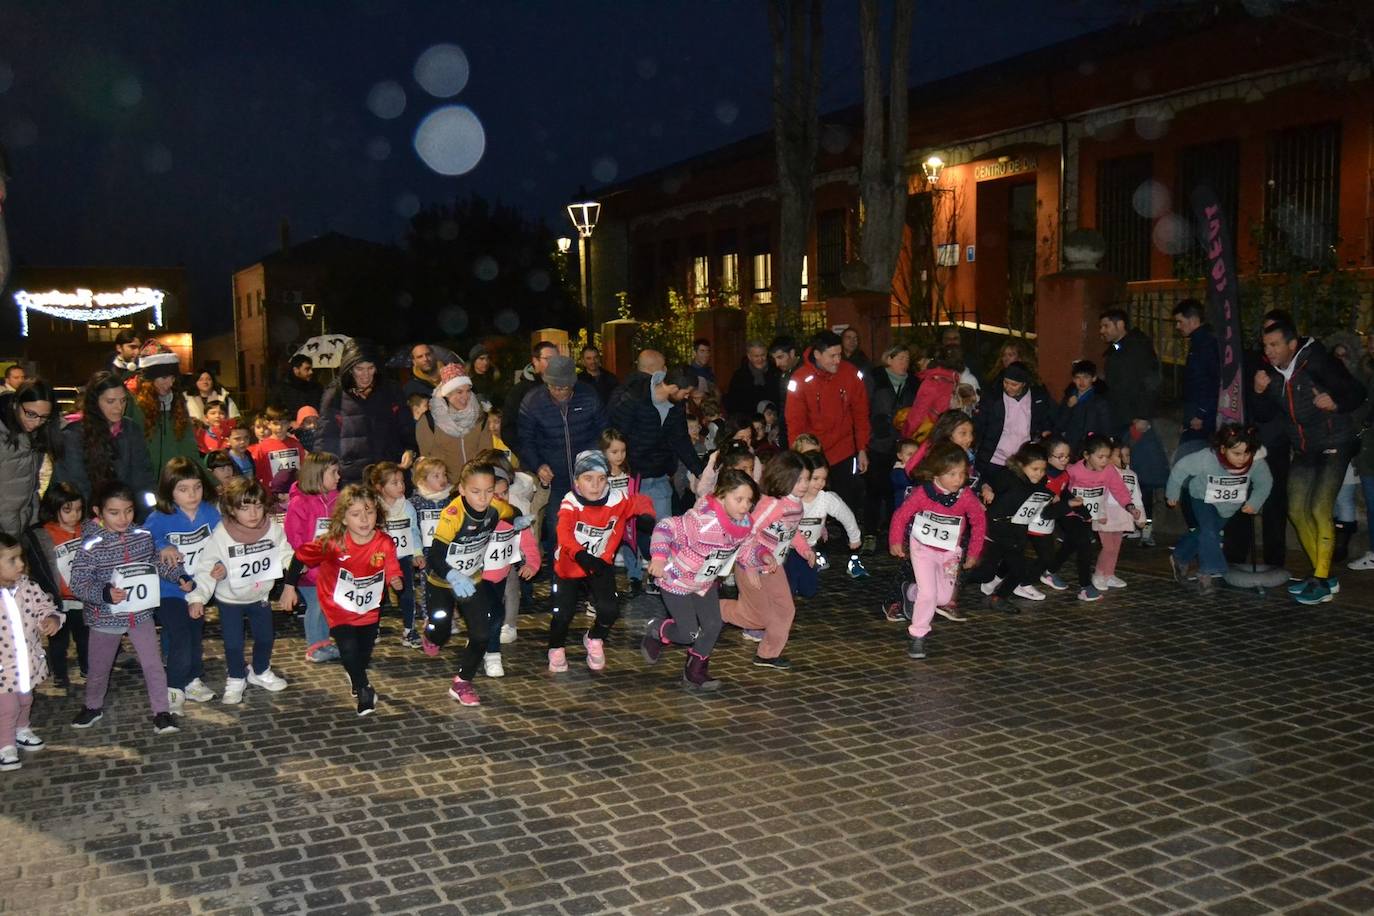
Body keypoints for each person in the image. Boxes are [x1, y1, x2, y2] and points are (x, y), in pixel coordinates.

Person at [1254, 319, 1366, 605]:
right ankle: (1324, 576)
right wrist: (1259, 392)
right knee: (1296, 509)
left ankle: (1321, 578)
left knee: (1319, 508)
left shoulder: (1318, 362)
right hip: (1305, 448)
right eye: (1266, 345)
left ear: (1292, 344)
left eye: (1275, 344)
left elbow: (1357, 392)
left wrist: (1335, 401)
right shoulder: (1272, 372)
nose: (1269, 351)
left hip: (1334, 443)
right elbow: (1264, 414)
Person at [68, 481, 182, 734]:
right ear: (99, 512)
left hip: (140, 614)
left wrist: (179, 576)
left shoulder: (142, 537)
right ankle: (92, 705)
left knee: (153, 663)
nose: (123, 518)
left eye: (128, 511)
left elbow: (156, 564)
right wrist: (105, 593)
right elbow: (79, 583)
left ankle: (162, 711)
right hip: (105, 617)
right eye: (114, 512)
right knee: (99, 666)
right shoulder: (91, 547)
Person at [282, 484, 402, 716]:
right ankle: (363, 689)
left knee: (363, 652)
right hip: (337, 605)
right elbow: (300, 557)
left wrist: (395, 578)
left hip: (368, 607)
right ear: (344, 519)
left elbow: (391, 563)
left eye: (369, 512)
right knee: (348, 649)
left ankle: (356, 672)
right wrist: (289, 587)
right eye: (356, 514)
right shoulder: (333, 543)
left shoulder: (384, 541)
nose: (364, 519)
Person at [643, 468, 758, 691]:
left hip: (704, 583)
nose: (745, 506)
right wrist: (658, 557)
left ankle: (694, 670)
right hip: (676, 581)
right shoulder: (702, 523)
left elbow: (746, 548)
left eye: (749, 501)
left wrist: (758, 559)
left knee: (714, 624)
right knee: (688, 633)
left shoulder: (743, 526)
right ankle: (657, 630)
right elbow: (665, 526)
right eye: (739, 499)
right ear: (722, 496)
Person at [186, 476, 292, 704]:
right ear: (232, 510)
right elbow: (206, 568)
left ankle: (260, 671)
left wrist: (294, 567)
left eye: (258, 506)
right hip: (230, 600)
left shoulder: (272, 529)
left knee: (265, 638)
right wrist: (197, 598)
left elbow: (285, 553)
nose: (253, 513)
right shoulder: (222, 535)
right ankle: (235, 677)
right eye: (244, 508)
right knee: (233, 643)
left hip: (260, 596)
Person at [546, 450, 652, 674]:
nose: (595, 485)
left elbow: (641, 501)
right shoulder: (571, 503)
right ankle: (556, 647)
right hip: (569, 566)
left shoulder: (617, 500)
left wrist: (647, 516)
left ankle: (594, 638)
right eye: (588, 479)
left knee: (609, 610)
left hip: (600, 565)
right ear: (576, 481)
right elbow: (563, 534)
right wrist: (580, 554)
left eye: (601, 479)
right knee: (562, 613)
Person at [420, 460, 511, 707]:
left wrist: (518, 523)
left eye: (489, 491)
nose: (483, 498)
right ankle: (431, 634)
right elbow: (436, 557)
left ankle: (462, 681)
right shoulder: (452, 515)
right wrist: (452, 575)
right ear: (461, 489)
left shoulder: (495, 506)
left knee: (481, 633)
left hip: (472, 580)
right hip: (441, 582)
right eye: (475, 491)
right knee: (441, 631)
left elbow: (511, 512)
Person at [888, 442, 986, 661]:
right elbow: (902, 515)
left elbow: (979, 521)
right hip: (923, 547)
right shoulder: (923, 493)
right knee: (930, 594)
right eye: (951, 474)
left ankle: (911, 591)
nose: (958, 479)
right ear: (937, 472)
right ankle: (918, 635)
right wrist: (895, 539)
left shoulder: (965, 496)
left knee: (941, 597)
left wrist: (973, 552)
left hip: (949, 552)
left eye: (962, 474)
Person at [720, 451, 813, 670]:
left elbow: (792, 531)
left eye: (806, 479)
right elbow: (747, 532)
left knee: (785, 610)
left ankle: (767, 655)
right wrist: (750, 565)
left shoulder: (795, 504)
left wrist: (805, 549)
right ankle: (713, 610)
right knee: (757, 618)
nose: (804, 485)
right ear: (783, 477)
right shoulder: (772, 505)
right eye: (798, 479)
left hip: (773, 566)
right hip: (751, 565)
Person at [143, 457, 221, 712]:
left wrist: (222, 565)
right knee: (180, 634)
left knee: (195, 633)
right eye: (183, 489)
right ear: (169, 490)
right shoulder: (159, 517)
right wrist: (161, 544)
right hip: (168, 590)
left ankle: (192, 678)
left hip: (198, 588)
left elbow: (222, 542)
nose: (192, 495)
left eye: (197, 487)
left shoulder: (210, 513)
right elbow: (144, 542)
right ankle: (174, 686)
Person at [1167, 424, 1272, 593]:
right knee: (1209, 531)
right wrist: (1172, 493)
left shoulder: (1256, 463)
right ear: (1223, 449)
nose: (1242, 458)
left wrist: (1255, 502)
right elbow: (1180, 469)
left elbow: (1264, 483)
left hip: (1229, 505)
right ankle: (1206, 573)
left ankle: (1180, 556)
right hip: (1202, 497)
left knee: (1206, 531)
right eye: (1236, 453)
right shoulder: (1206, 458)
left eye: (1247, 453)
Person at [516, 355, 607, 548]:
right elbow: (525, 440)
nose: (557, 392)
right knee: (558, 525)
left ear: (572, 384)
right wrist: (538, 465)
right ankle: (560, 573)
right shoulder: (532, 402)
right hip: (554, 477)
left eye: (563, 388)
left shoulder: (589, 396)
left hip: (587, 475)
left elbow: (603, 431)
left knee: (590, 525)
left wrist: (592, 460)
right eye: (552, 386)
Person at [967, 443, 1066, 609]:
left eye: (1042, 470)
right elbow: (987, 481)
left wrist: (1052, 496)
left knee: (1020, 570)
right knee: (986, 572)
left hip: (1015, 533)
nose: (1039, 474)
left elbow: (1040, 491)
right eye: (1035, 469)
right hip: (995, 530)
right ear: (1021, 465)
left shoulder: (1037, 482)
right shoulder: (1008, 476)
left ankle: (999, 598)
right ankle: (955, 581)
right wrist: (986, 489)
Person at [610, 363, 704, 536]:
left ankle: (658, 560)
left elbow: (681, 439)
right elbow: (616, 436)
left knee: (664, 531)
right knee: (633, 534)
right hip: (634, 476)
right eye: (686, 393)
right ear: (674, 387)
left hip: (660, 473)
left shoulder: (676, 404)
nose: (687, 397)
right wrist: (618, 468)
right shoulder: (633, 397)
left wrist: (700, 472)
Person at [784, 329, 871, 514]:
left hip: (844, 451)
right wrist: (799, 455)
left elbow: (861, 414)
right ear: (817, 354)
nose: (837, 360)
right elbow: (794, 422)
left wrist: (862, 448)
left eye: (839, 355)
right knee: (812, 506)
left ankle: (849, 539)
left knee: (847, 503)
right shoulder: (799, 379)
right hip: (813, 455)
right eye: (832, 356)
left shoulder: (851, 373)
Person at [0, 533, 65, 773]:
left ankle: (22, 730)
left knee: (26, 699)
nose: (20, 564)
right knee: (7, 707)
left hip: (25, 662)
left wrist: (50, 618)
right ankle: (4, 745)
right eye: (12, 560)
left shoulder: (26, 586)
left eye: (20, 558)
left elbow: (44, 606)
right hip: (2, 667)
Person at [318, 338, 415, 484]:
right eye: (359, 369)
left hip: (389, 474)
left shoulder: (391, 391)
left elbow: (406, 428)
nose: (366, 375)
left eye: (370, 368)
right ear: (349, 369)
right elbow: (325, 438)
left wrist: (410, 450)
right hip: (351, 478)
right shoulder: (335, 395)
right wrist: (325, 474)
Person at [52, 372, 156, 509]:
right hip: (83, 515)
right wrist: (99, 519)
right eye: (110, 401)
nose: (119, 408)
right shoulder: (72, 435)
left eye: (123, 400)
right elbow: (76, 486)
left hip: (124, 515)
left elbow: (142, 478)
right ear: (95, 402)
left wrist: (148, 514)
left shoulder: (131, 430)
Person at [26, 483, 88, 686]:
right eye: (67, 510)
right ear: (54, 509)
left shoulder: (86, 529)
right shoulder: (45, 534)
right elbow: (40, 565)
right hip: (58, 596)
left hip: (81, 597)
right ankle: (60, 674)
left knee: (84, 635)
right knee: (58, 640)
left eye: (78, 510)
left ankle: (87, 667)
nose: (74, 515)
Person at [284, 451, 342, 662]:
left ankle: (324, 643)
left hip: (331, 567)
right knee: (316, 605)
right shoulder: (299, 503)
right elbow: (294, 537)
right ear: (318, 474)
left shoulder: (338, 500)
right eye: (334, 473)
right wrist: (304, 562)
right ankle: (314, 646)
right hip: (309, 568)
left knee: (326, 605)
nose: (338, 477)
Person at [864, 346, 916, 551]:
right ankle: (870, 532)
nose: (905, 362)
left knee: (898, 489)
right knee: (874, 489)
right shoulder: (875, 378)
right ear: (889, 359)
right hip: (879, 442)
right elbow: (864, 406)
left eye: (907, 358)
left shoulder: (913, 382)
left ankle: (893, 532)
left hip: (904, 443)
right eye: (901, 357)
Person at [790, 454, 864, 598]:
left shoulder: (826, 499)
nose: (820, 483)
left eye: (823, 479)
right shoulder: (791, 498)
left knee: (809, 590)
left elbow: (846, 515)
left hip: (810, 550)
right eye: (815, 479)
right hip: (789, 549)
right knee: (789, 587)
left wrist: (854, 537)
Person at [367, 461, 422, 650]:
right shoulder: (373, 507)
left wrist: (417, 552)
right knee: (377, 595)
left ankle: (409, 629)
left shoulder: (407, 506)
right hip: (378, 559)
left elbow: (414, 530)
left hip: (402, 557)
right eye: (394, 483)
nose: (401, 486)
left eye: (401, 481)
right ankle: (373, 627)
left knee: (407, 593)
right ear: (379, 487)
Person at [972, 362, 1053, 480]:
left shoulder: (1037, 397)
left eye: (1014, 384)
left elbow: (1045, 420)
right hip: (995, 458)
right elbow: (980, 425)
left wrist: (1045, 432)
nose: (1008, 387)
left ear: (1024, 384)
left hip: (1023, 461)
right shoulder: (994, 397)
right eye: (1005, 382)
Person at [0, 381, 58, 537]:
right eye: (31, 414)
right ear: (15, 404)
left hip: (21, 525)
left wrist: (34, 522)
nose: (36, 422)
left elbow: (32, 486)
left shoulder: (34, 436)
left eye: (44, 417)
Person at [131, 350, 202, 474]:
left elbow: (190, 449)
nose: (170, 383)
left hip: (174, 481)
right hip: (144, 480)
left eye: (172, 378)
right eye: (164, 377)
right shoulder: (135, 406)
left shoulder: (178, 404)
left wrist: (211, 481)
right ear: (150, 379)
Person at [407, 456, 452, 647]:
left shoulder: (450, 501)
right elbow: (413, 529)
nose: (442, 479)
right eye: (436, 476)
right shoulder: (415, 503)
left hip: (446, 553)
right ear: (422, 480)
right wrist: (416, 552)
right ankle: (429, 619)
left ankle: (447, 616)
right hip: (426, 554)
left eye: (443, 475)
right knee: (427, 587)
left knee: (448, 585)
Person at [417, 365, 493, 474]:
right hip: (444, 486)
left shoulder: (480, 416)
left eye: (468, 391)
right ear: (447, 393)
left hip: (475, 482)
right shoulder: (429, 421)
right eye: (459, 392)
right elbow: (426, 461)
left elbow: (486, 454)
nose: (465, 396)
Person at [1099, 308, 1161, 438]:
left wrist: (1143, 415)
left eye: (1106, 326)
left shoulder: (1138, 347)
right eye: (1101, 327)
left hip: (1132, 416)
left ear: (1120, 325)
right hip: (1120, 412)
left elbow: (1149, 381)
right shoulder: (1119, 345)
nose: (1102, 331)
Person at [1171, 298, 1220, 455]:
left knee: (1189, 456)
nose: (1177, 326)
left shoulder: (1205, 344)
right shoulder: (1200, 342)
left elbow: (1211, 381)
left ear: (1192, 320)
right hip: (1196, 410)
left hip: (1201, 413)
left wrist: (1200, 413)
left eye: (1179, 321)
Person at [502, 340, 558, 451]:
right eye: (548, 359)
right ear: (535, 361)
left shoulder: (567, 387)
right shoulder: (519, 391)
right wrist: (528, 456)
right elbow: (508, 430)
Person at [903, 346, 962, 440]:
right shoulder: (951, 379)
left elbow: (918, 414)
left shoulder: (932, 382)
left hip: (928, 434)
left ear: (929, 360)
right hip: (945, 432)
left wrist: (906, 435)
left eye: (921, 359)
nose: (919, 363)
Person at [1056, 360, 1114, 451]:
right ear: (1073, 379)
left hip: (1092, 447)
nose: (1081, 381)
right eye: (1078, 377)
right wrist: (1068, 407)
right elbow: (1060, 425)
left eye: (1086, 377)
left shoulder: (1100, 401)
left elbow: (1106, 428)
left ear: (1094, 378)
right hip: (1071, 446)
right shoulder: (1069, 398)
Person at [723, 340, 779, 419]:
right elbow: (733, 403)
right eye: (756, 356)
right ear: (749, 356)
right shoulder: (739, 376)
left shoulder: (776, 373)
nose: (760, 359)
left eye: (762, 355)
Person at [267, 354, 323, 422]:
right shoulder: (282, 389)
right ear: (296, 370)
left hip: (314, 427)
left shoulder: (316, 388)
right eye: (307, 369)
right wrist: (289, 419)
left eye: (311, 369)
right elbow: (272, 411)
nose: (311, 372)